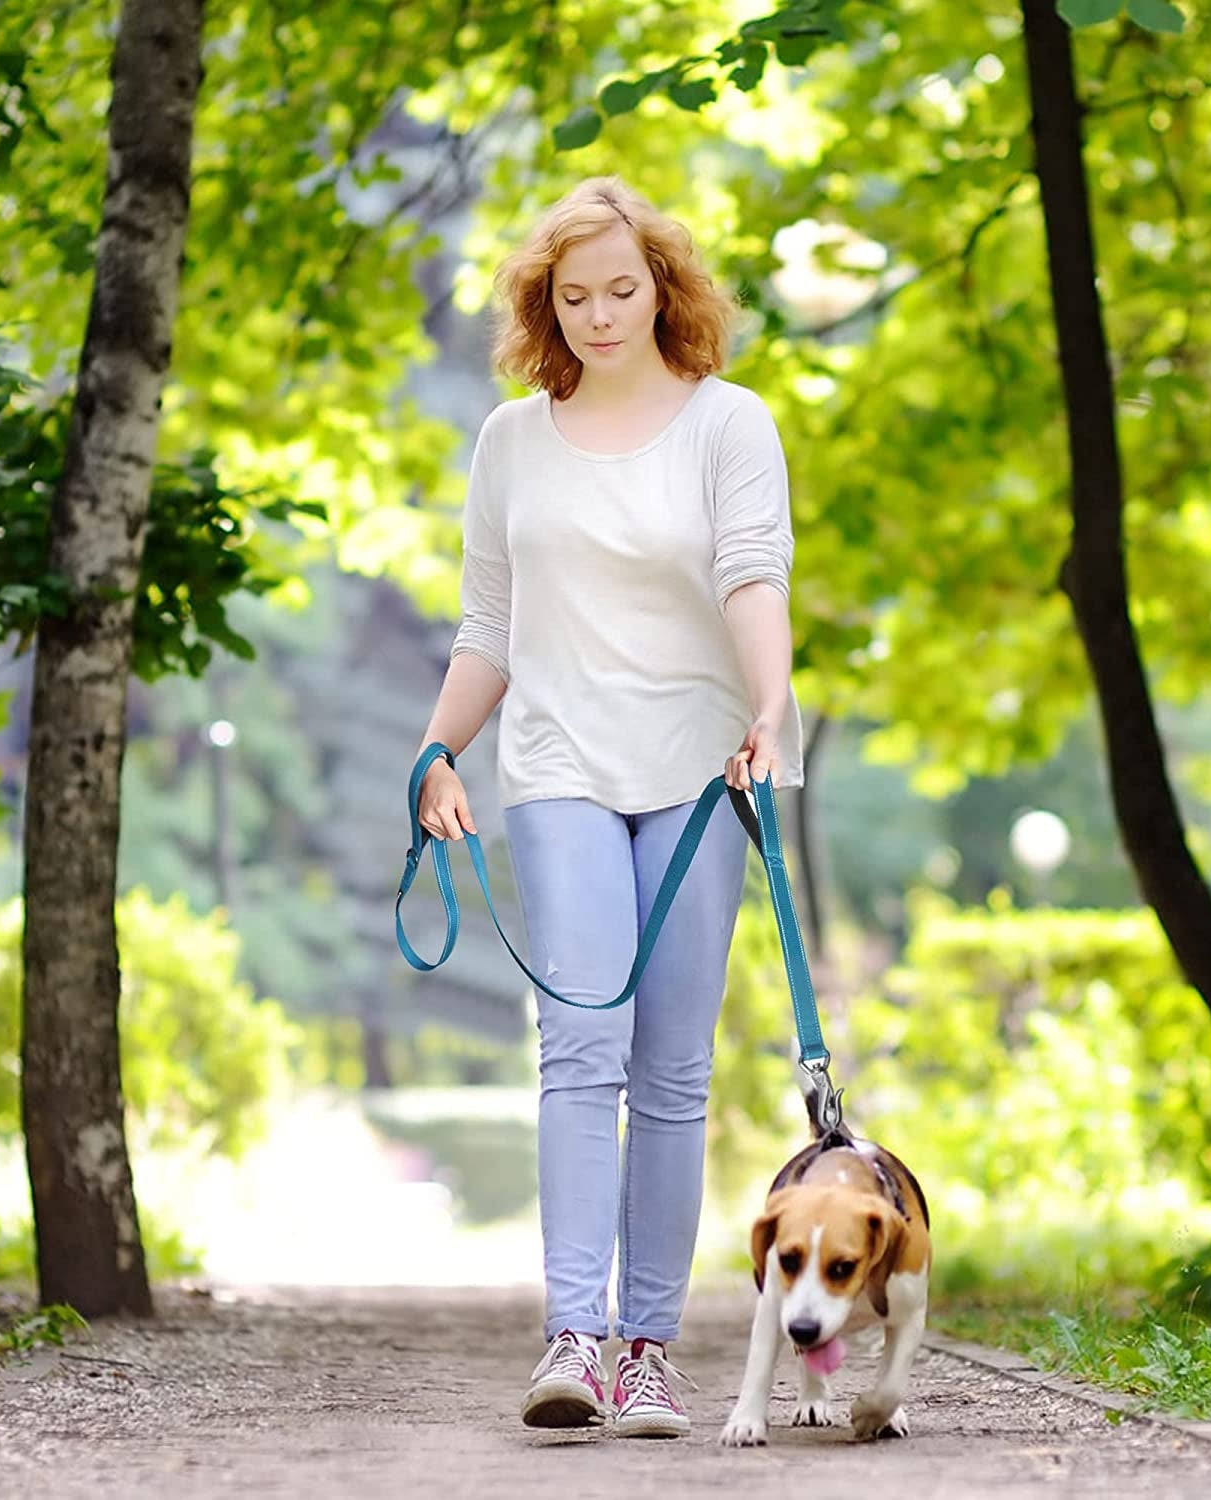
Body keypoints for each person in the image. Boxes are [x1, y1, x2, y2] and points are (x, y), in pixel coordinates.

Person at [414, 175, 804, 1439]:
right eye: (571, 295)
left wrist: (771, 702)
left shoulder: (728, 425)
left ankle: (650, 1349)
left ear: (665, 289)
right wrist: (435, 753)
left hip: (701, 774)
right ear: (545, 303)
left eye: (621, 290)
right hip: (560, 769)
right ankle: (571, 1341)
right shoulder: (509, 441)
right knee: (581, 1048)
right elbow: (491, 624)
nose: (598, 314)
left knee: (673, 1069)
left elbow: (751, 572)